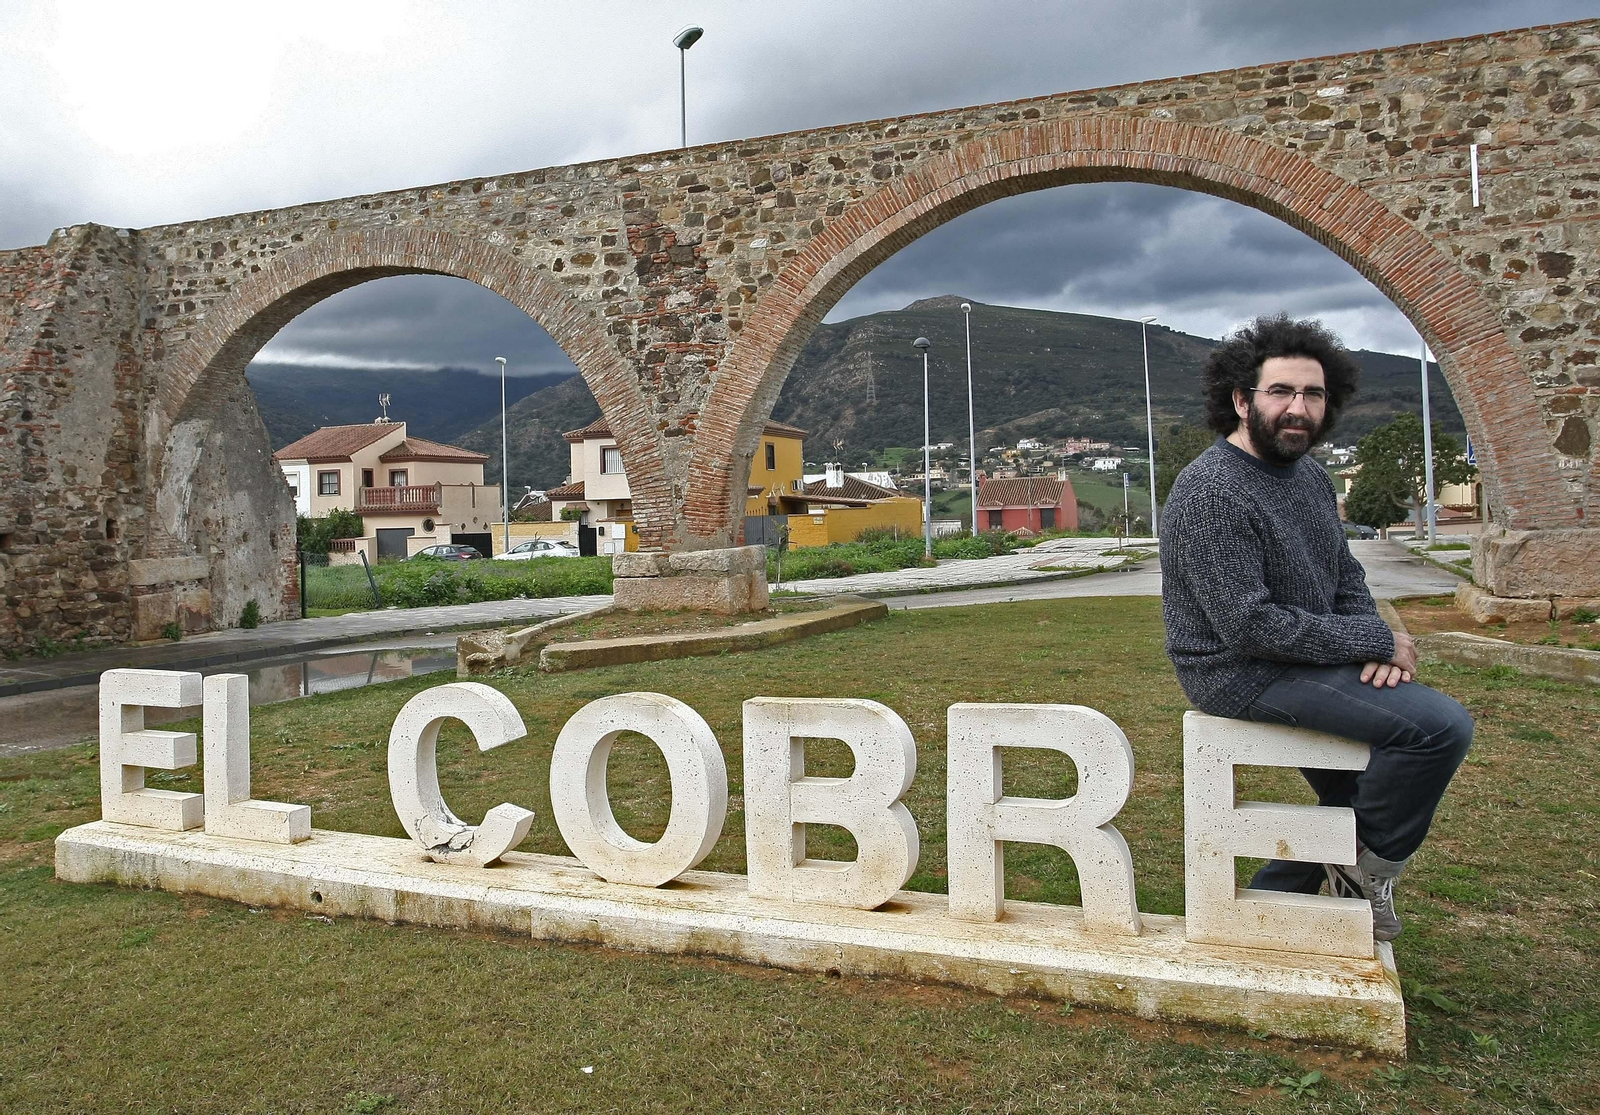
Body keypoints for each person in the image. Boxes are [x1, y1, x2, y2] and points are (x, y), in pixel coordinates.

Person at [1159, 314, 1473, 941]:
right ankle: (1363, 872)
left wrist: (1374, 639)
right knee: (1439, 729)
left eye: (1313, 394)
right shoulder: (1212, 491)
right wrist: (1374, 641)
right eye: (1281, 392)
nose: (1297, 408)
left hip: (1302, 656)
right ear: (1241, 401)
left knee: (1359, 792)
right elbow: (1248, 626)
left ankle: (1278, 903)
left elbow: (1343, 574)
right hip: (1239, 672)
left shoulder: (1308, 476)